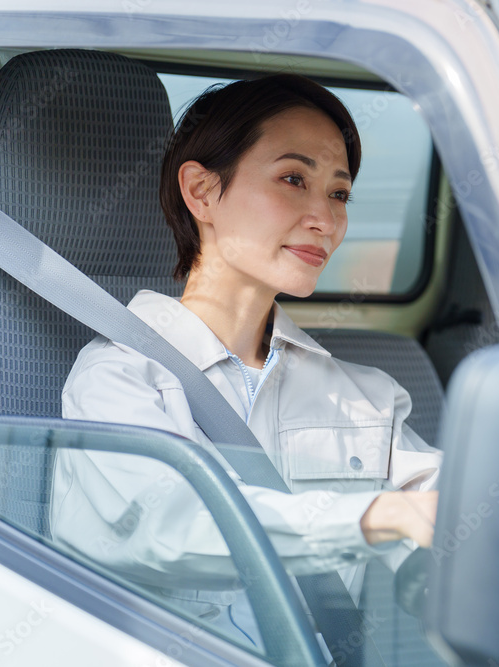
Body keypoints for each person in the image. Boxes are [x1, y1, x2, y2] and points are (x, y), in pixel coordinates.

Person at [49, 74, 441, 649]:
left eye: (338, 193)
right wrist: (373, 517)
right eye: (292, 179)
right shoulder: (118, 377)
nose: (326, 221)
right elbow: (160, 527)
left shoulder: (365, 396)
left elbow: (456, 509)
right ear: (202, 192)